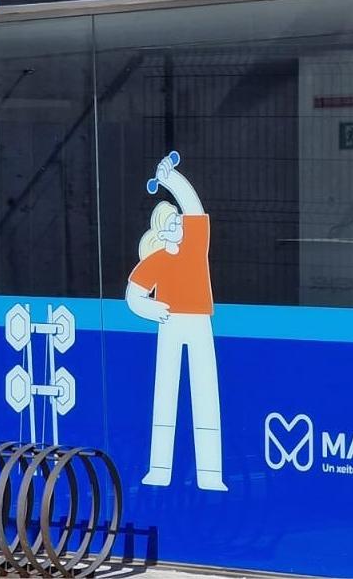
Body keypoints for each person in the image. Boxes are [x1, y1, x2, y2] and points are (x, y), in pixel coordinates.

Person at [127, 155, 226, 491]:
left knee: (205, 393)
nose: (176, 226)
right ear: (158, 231)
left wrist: (172, 180)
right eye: (169, 223)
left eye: (178, 221)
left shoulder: (195, 248)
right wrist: (152, 309)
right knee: (165, 395)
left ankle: (211, 475)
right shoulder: (155, 261)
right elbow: (133, 296)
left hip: (199, 322)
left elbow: (194, 210)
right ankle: (159, 470)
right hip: (169, 322)